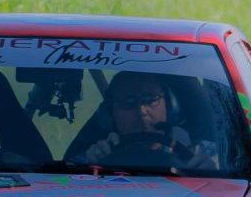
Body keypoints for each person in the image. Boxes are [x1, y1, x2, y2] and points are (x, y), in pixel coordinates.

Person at [84, 72, 219, 171]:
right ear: (110, 114)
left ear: (170, 106)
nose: (142, 111)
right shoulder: (99, 155)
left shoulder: (205, 153)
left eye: (150, 99)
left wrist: (214, 175)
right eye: (128, 103)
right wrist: (89, 166)